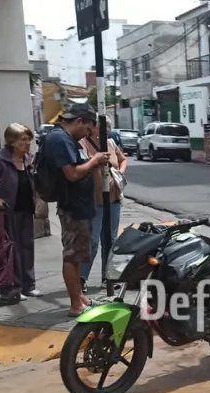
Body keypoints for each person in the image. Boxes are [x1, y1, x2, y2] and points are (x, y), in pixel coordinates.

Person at [42, 103, 110, 316]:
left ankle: (80, 297)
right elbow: (71, 174)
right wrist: (95, 161)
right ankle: (75, 304)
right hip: (72, 207)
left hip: (80, 206)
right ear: (79, 121)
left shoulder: (67, 140)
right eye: (88, 129)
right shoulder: (60, 140)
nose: (87, 135)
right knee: (72, 256)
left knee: (79, 254)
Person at [0, 123, 43, 299]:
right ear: (11, 141)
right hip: (7, 211)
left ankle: (29, 285)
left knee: (27, 247)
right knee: (12, 249)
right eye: (23, 140)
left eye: (29, 139)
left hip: (26, 208)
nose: (27, 143)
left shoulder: (28, 159)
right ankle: (14, 286)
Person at [79, 117, 127, 292]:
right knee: (92, 240)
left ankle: (108, 277)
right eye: (102, 127)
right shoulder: (83, 144)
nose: (106, 130)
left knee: (111, 240)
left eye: (108, 127)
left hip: (113, 198)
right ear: (92, 128)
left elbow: (123, 159)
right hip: (94, 198)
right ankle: (81, 278)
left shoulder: (111, 143)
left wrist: (120, 173)